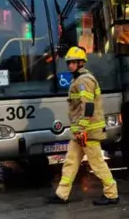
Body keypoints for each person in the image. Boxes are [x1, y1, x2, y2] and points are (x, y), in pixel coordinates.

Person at [45, 46, 119, 206]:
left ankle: (112, 193)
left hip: (87, 132)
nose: (70, 65)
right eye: (69, 63)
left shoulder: (85, 80)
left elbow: (88, 106)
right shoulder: (78, 80)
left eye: (73, 62)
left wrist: (82, 129)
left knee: (97, 163)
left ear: (81, 63)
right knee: (70, 162)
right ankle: (61, 194)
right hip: (80, 132)